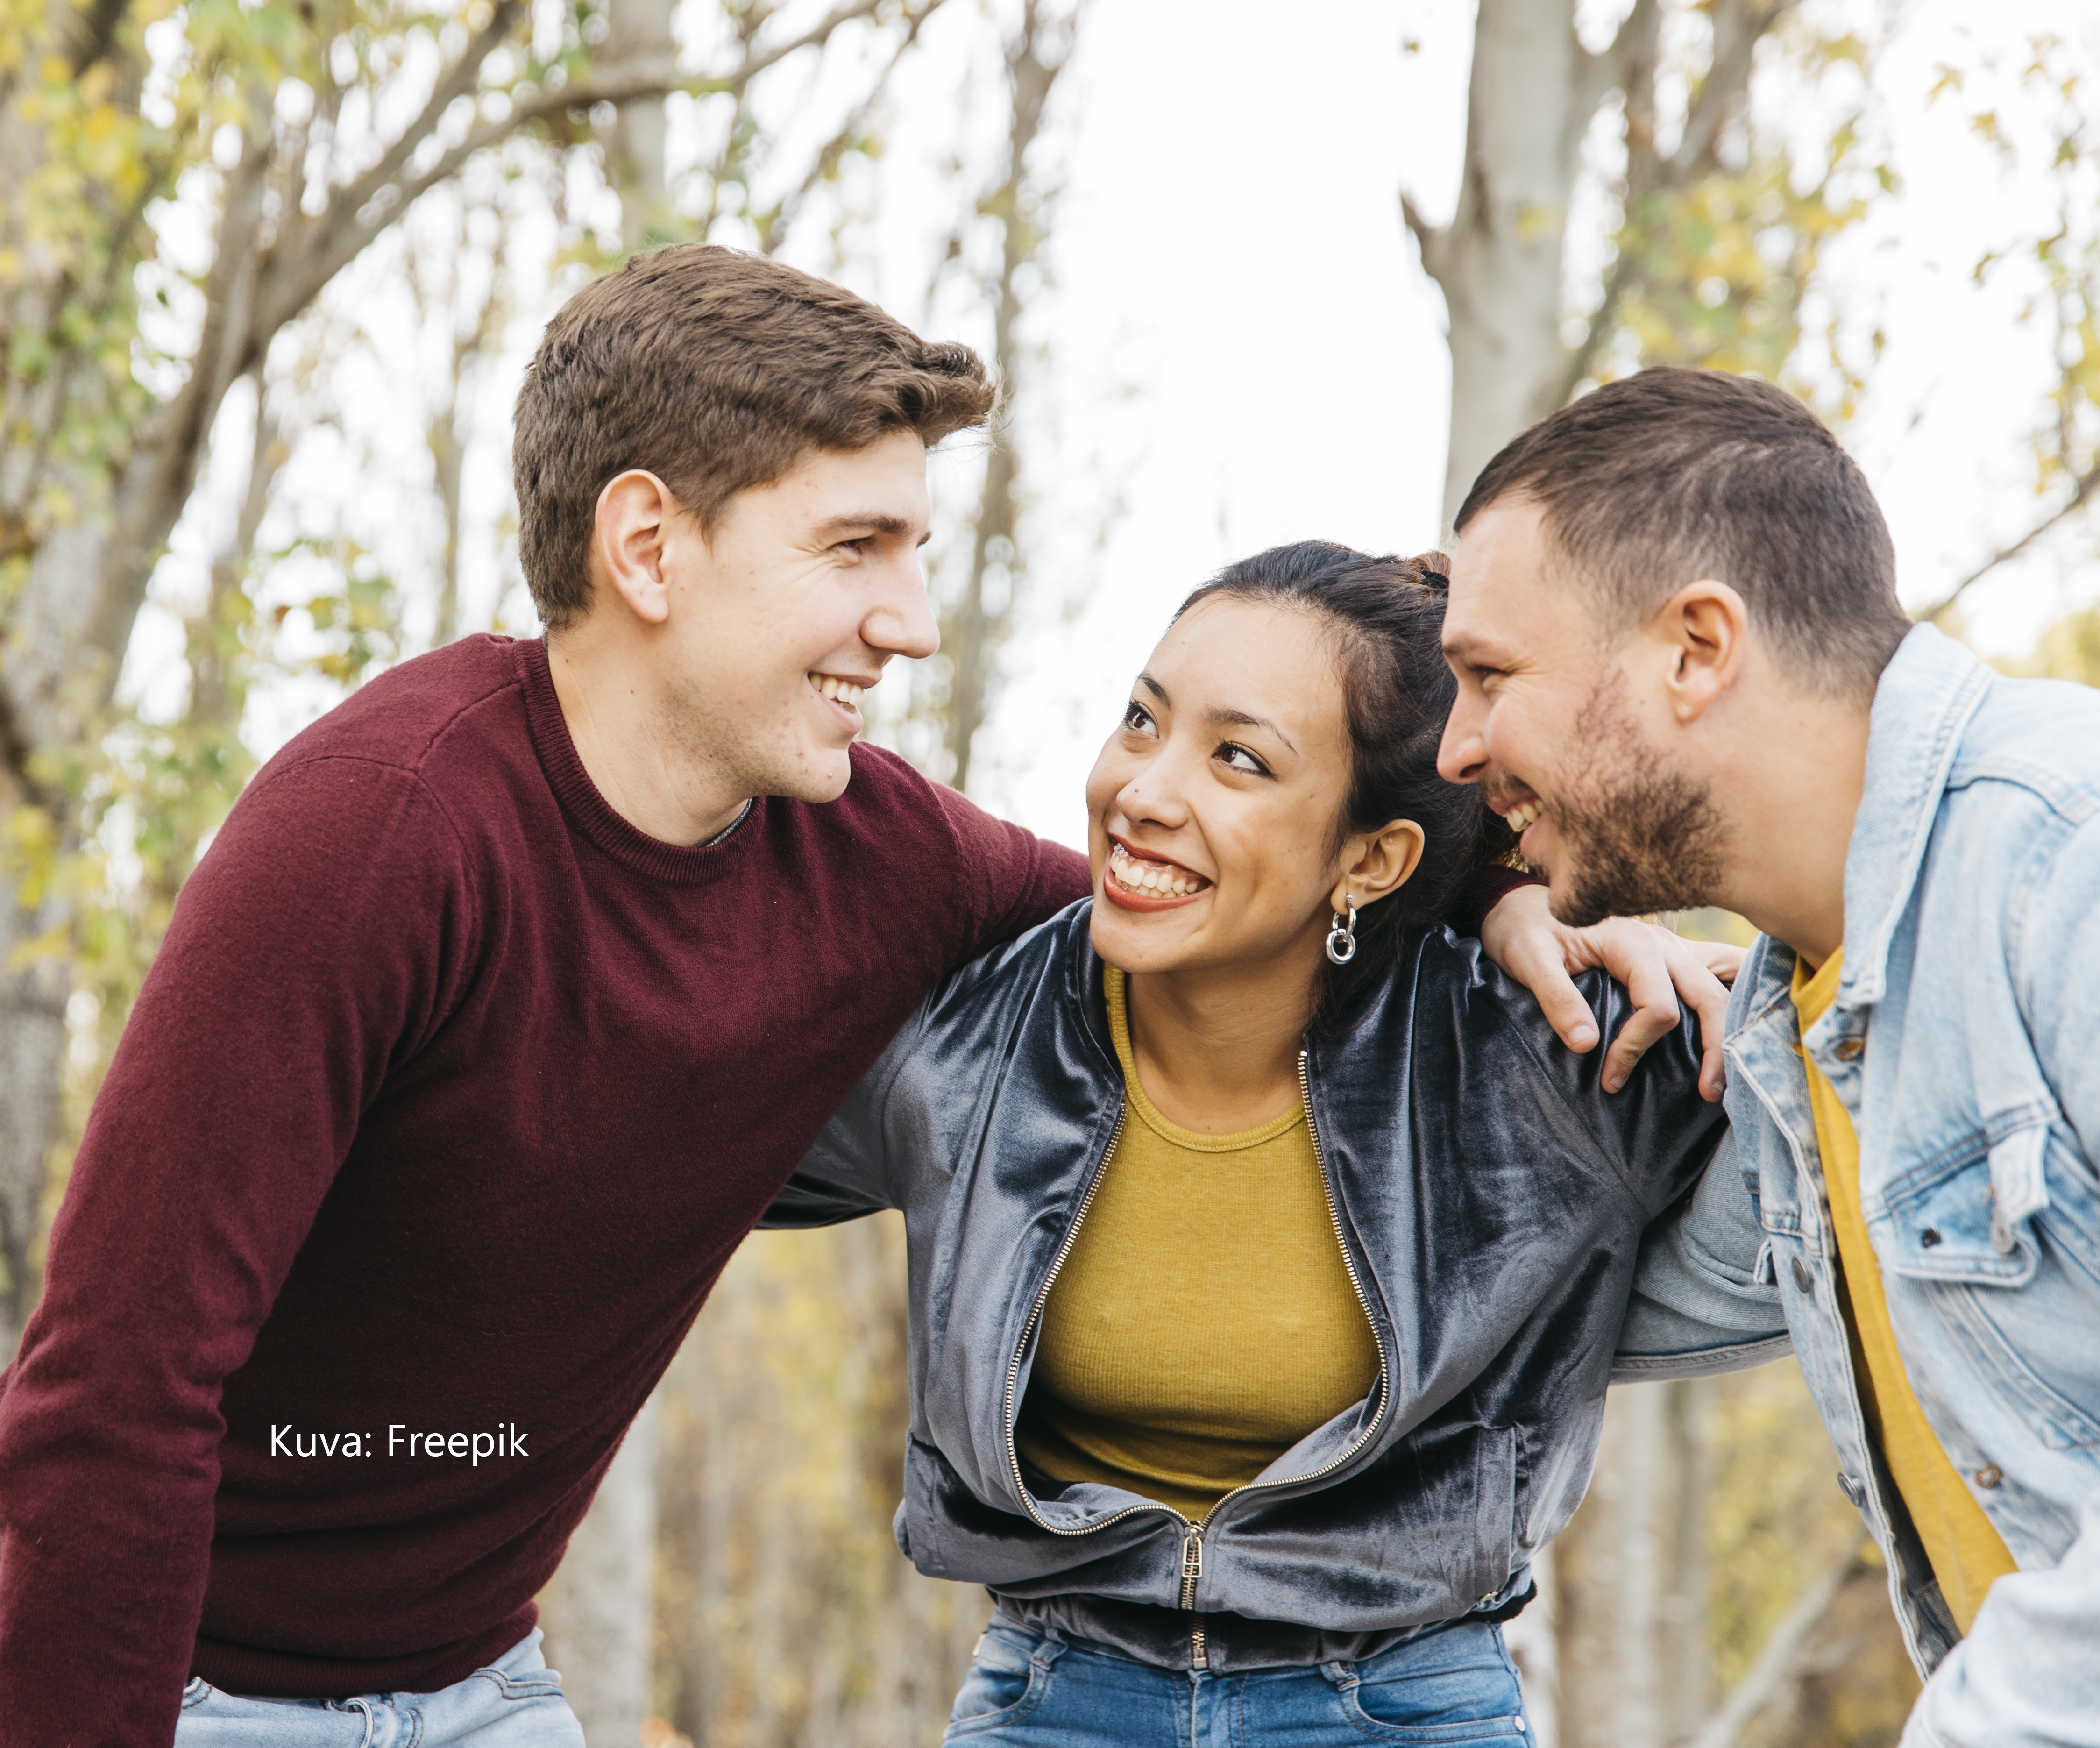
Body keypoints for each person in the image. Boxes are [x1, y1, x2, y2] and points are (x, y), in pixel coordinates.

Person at [0, 247, 1724, 1745]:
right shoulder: (382, 834)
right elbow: (112, 1392)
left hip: (478, 1679)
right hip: (188, 1688)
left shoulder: (871, 851)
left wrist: (1501, 895)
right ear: (649, 546)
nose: (908, 619)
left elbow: (1219, 906)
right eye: (856, 548)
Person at [768, 540, 1785, 1746]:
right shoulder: (968, 1040)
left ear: (1372, 859)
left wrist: (1673, 951)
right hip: (1052, 1700)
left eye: (1238, 758)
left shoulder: (1543, 1050)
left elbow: (1857, 1184)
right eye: (1141, 722)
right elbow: (660, 1137)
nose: (1144, 791)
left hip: (1404, 1706)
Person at [1436, 364, 2100, 1748]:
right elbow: (1464, 1315)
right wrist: (1467, 893)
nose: (1456, 747)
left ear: (1695, 647)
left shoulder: (2062, 857)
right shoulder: (1786, 1033)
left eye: (1492, 676)